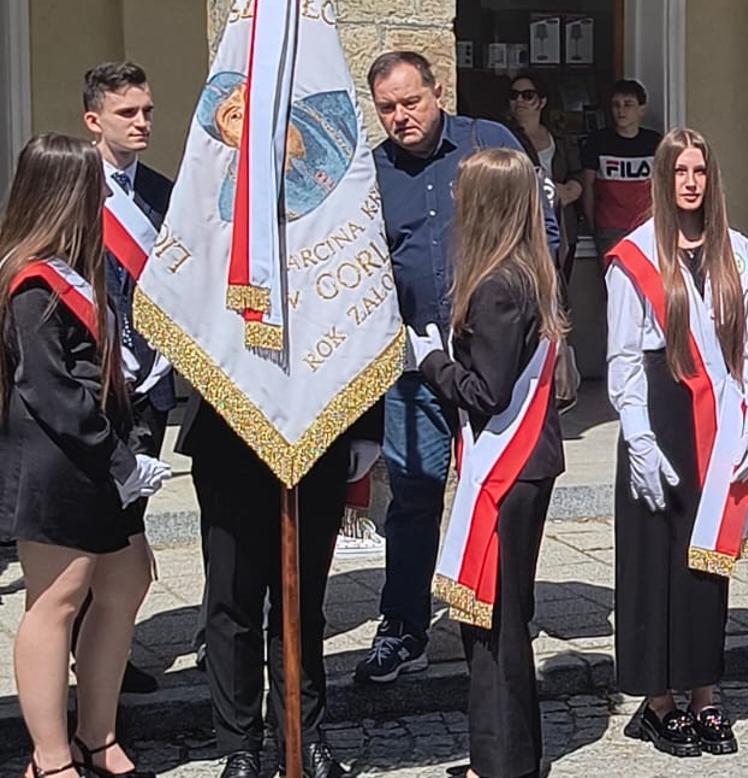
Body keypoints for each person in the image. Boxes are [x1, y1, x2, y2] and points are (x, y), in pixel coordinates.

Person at [361, 50, 559, 685]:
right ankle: (404, 626)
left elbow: (543, 230)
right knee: (414, 495)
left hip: (493, 359)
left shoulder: (488, 144)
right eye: (387, 107)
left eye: (410, 101)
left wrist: (537, 318)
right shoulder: (374, 174)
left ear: (437, 90)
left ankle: (502, 614)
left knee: (502, 491)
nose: (400, 116)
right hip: (417, 364)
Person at [2, 133, 170, 778]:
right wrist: (120, 460)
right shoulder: (31, 282)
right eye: (91, 188)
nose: (103, 196)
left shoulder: (72, 268)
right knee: (57, 600)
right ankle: (49, 756)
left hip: (100, 456)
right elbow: (52, 391)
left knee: (127, 580)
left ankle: (98, 733)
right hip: (60, 462)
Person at [606, 128, 748, 758]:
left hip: (720, 418)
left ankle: (703, 694)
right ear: (664, 178)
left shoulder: (740, 253)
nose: (692, 182)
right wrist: (640, 439)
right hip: (659, 415)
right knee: (654, 564)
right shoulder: (636, 255)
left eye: (701, 170)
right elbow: (621, 360)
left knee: (707, 566)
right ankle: (657, 703)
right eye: (680, 171)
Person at [411, 148, 567, 778]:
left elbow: (487, 393)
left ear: (484, 205)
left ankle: (500, 765)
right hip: (525, 462)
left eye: (462, 190)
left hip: (512, 465)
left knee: (495, 620)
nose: (452, 199)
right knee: (500, 616)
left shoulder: (498, 285)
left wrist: (429, 361)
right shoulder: (524, 271)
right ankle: (508, 756)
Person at [180, 358, 379, 778]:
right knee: (233, 597)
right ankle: (240, 744)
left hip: (317, 419)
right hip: (229, 422)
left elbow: (360, 311)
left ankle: (303, 733)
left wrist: (365, 424)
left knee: (301, 599)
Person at [80, 60, 175, 697]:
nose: (141, 122)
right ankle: (76, 647)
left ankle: (114, 650)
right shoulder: (72, 187)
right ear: (94, 120)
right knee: (86, 525)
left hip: (150, 385)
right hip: (93, 384)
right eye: (127, 113)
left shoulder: (165, 192)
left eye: (146, 111)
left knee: (130, 520)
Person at [505, 73, 585, 411]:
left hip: (561, 228)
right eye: (516, 95)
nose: (521, 101)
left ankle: (562, 376)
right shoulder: (506, 138)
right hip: (526, 231)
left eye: (528, 94)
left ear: (542, 101)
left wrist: (572, 190)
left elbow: (580, 174)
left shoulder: (560, 139)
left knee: (559, 295)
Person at [582, 80, 665, 256]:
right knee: (614, 280)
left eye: (628, 104)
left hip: (647, 227)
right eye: (616, 105)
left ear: (641, 109)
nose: (621, 110)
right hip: (609, 229)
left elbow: (664, 188)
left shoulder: (655, 142)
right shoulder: (598, 141)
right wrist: (593, 225)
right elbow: (588, 186)